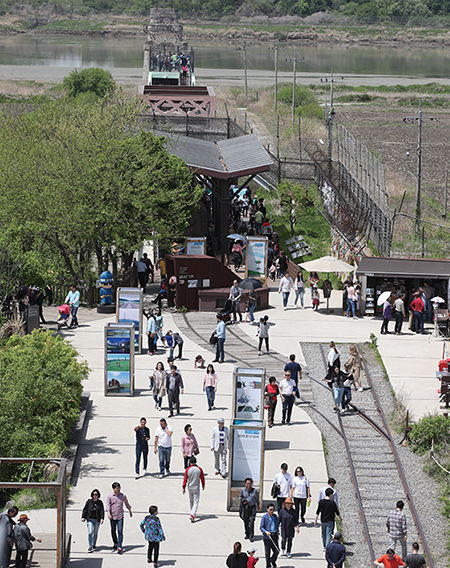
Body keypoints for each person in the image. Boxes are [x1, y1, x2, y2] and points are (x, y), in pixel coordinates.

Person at [106, 482, 132, 554]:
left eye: (119, 488)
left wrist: (130, 510)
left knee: (120, 531)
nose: (119, 489)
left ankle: (119, 546)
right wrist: (108, 513)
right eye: (117, 488)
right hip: (113, 516)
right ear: (114, 489)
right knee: (113, 530)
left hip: (120, 516)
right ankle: (115, 542)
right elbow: (108, 505)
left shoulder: (123, 496)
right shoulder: (110, 496)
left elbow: (126, 503)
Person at [182, 456, 205, 523]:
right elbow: (202, 478)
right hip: (196, 487)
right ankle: (192, 514)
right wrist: (203, 485)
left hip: (190, 487)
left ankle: (192, 512)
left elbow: (185, 479)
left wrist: (183, 487)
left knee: (191, 501)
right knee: (196, 502)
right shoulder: (199, 469)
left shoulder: (188, 469)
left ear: (190, 462)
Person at [239, 478, 259, 543]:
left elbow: (257, 498)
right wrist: (243, 501)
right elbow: (240, 497)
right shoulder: (243, 490)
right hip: (245, 508)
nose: (249, 485)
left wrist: (258, 505)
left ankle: (251, 536)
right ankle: (247, 534)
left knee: (251, 522)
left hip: (252, 508)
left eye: (250, 483)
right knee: (246, 522)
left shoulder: (254, 491)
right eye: (247, 483)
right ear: (245, 484)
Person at [260, 503, 279, 568]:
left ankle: (272, 560)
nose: (272, 511)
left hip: (274, 536)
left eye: (273, 509)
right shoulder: (264, 517)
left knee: (276, 551)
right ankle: (268, 565)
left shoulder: (275, 516)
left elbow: (276, 525)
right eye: (270, 509)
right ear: (267, 509)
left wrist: (277, 531)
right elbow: (261, 527)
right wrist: (266, 532)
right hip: (267, 537)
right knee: (267, 552)